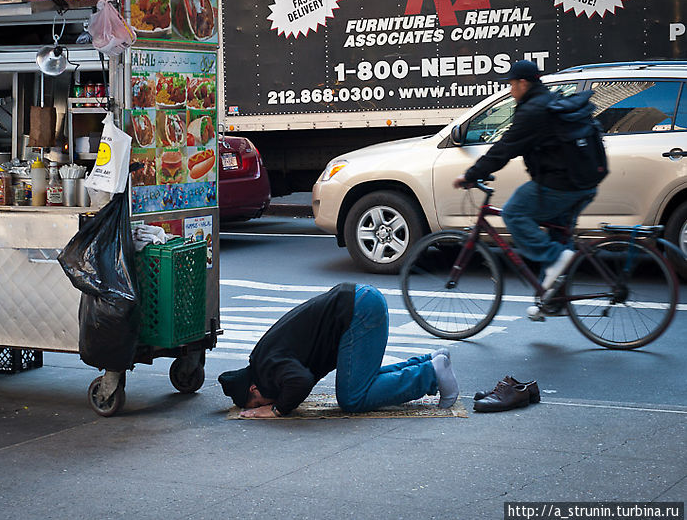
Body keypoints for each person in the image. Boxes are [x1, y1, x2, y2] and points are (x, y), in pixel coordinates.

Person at [453, 59, 598, 290]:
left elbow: (504, 149)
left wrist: (471, 175)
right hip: (584, 181)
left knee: (514, 213)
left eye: (511, 85)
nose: (510, 92)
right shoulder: (547, 101)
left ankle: (556, 258)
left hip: (562, 184)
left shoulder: (534, 111)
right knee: (557, 237)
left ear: (523, 83)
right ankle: (550, 299)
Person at [217, 283, 458, 418]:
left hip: (358, 312)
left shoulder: (269, 366)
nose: (260, 405)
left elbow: (301, 381)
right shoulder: (263, 360)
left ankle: (431, 374)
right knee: (362, 382)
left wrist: (276, 409)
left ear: (253, 388)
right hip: (361, 302)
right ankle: (432, 362)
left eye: (256, 402)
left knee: (352, 398)